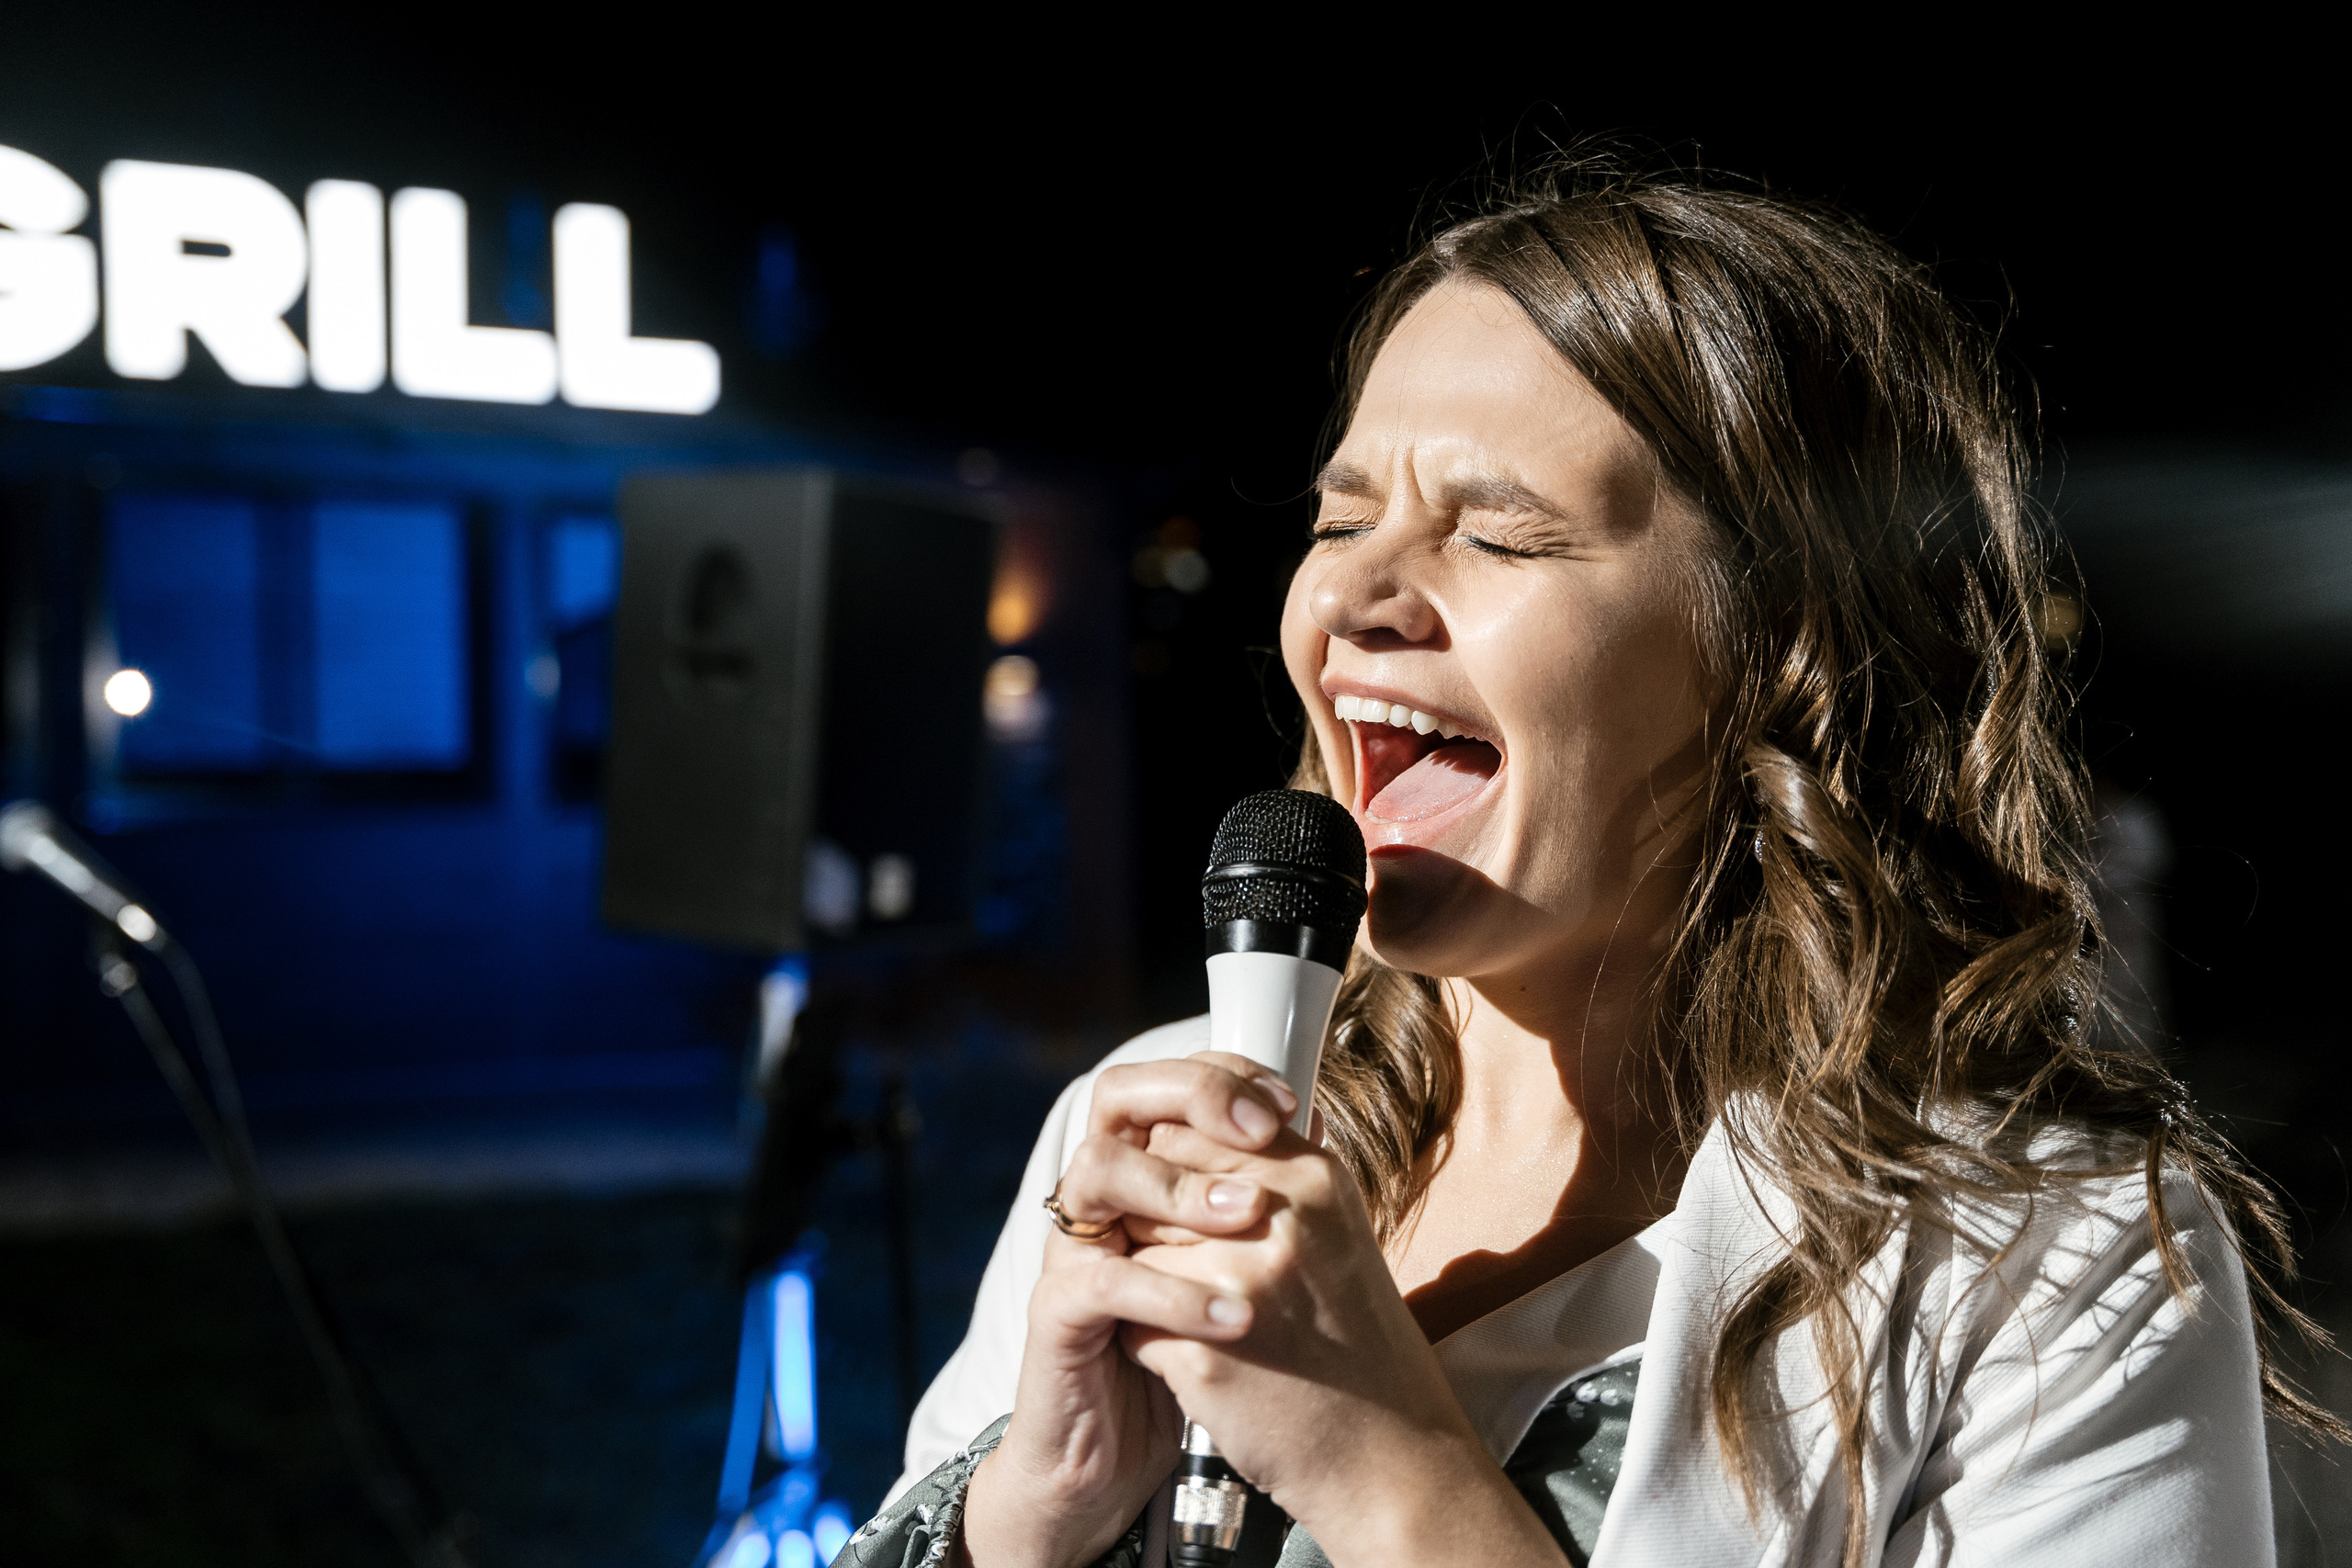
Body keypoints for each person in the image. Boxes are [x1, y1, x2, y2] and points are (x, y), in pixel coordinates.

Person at [840, 159, 2332, 1568]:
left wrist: (1390, 1472)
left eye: (1499, 535)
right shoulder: (1147, 1127)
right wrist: (1025, 1515)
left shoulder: (2054, 1265)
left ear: (1786, 661)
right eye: (1344, 516)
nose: (1354, 592)